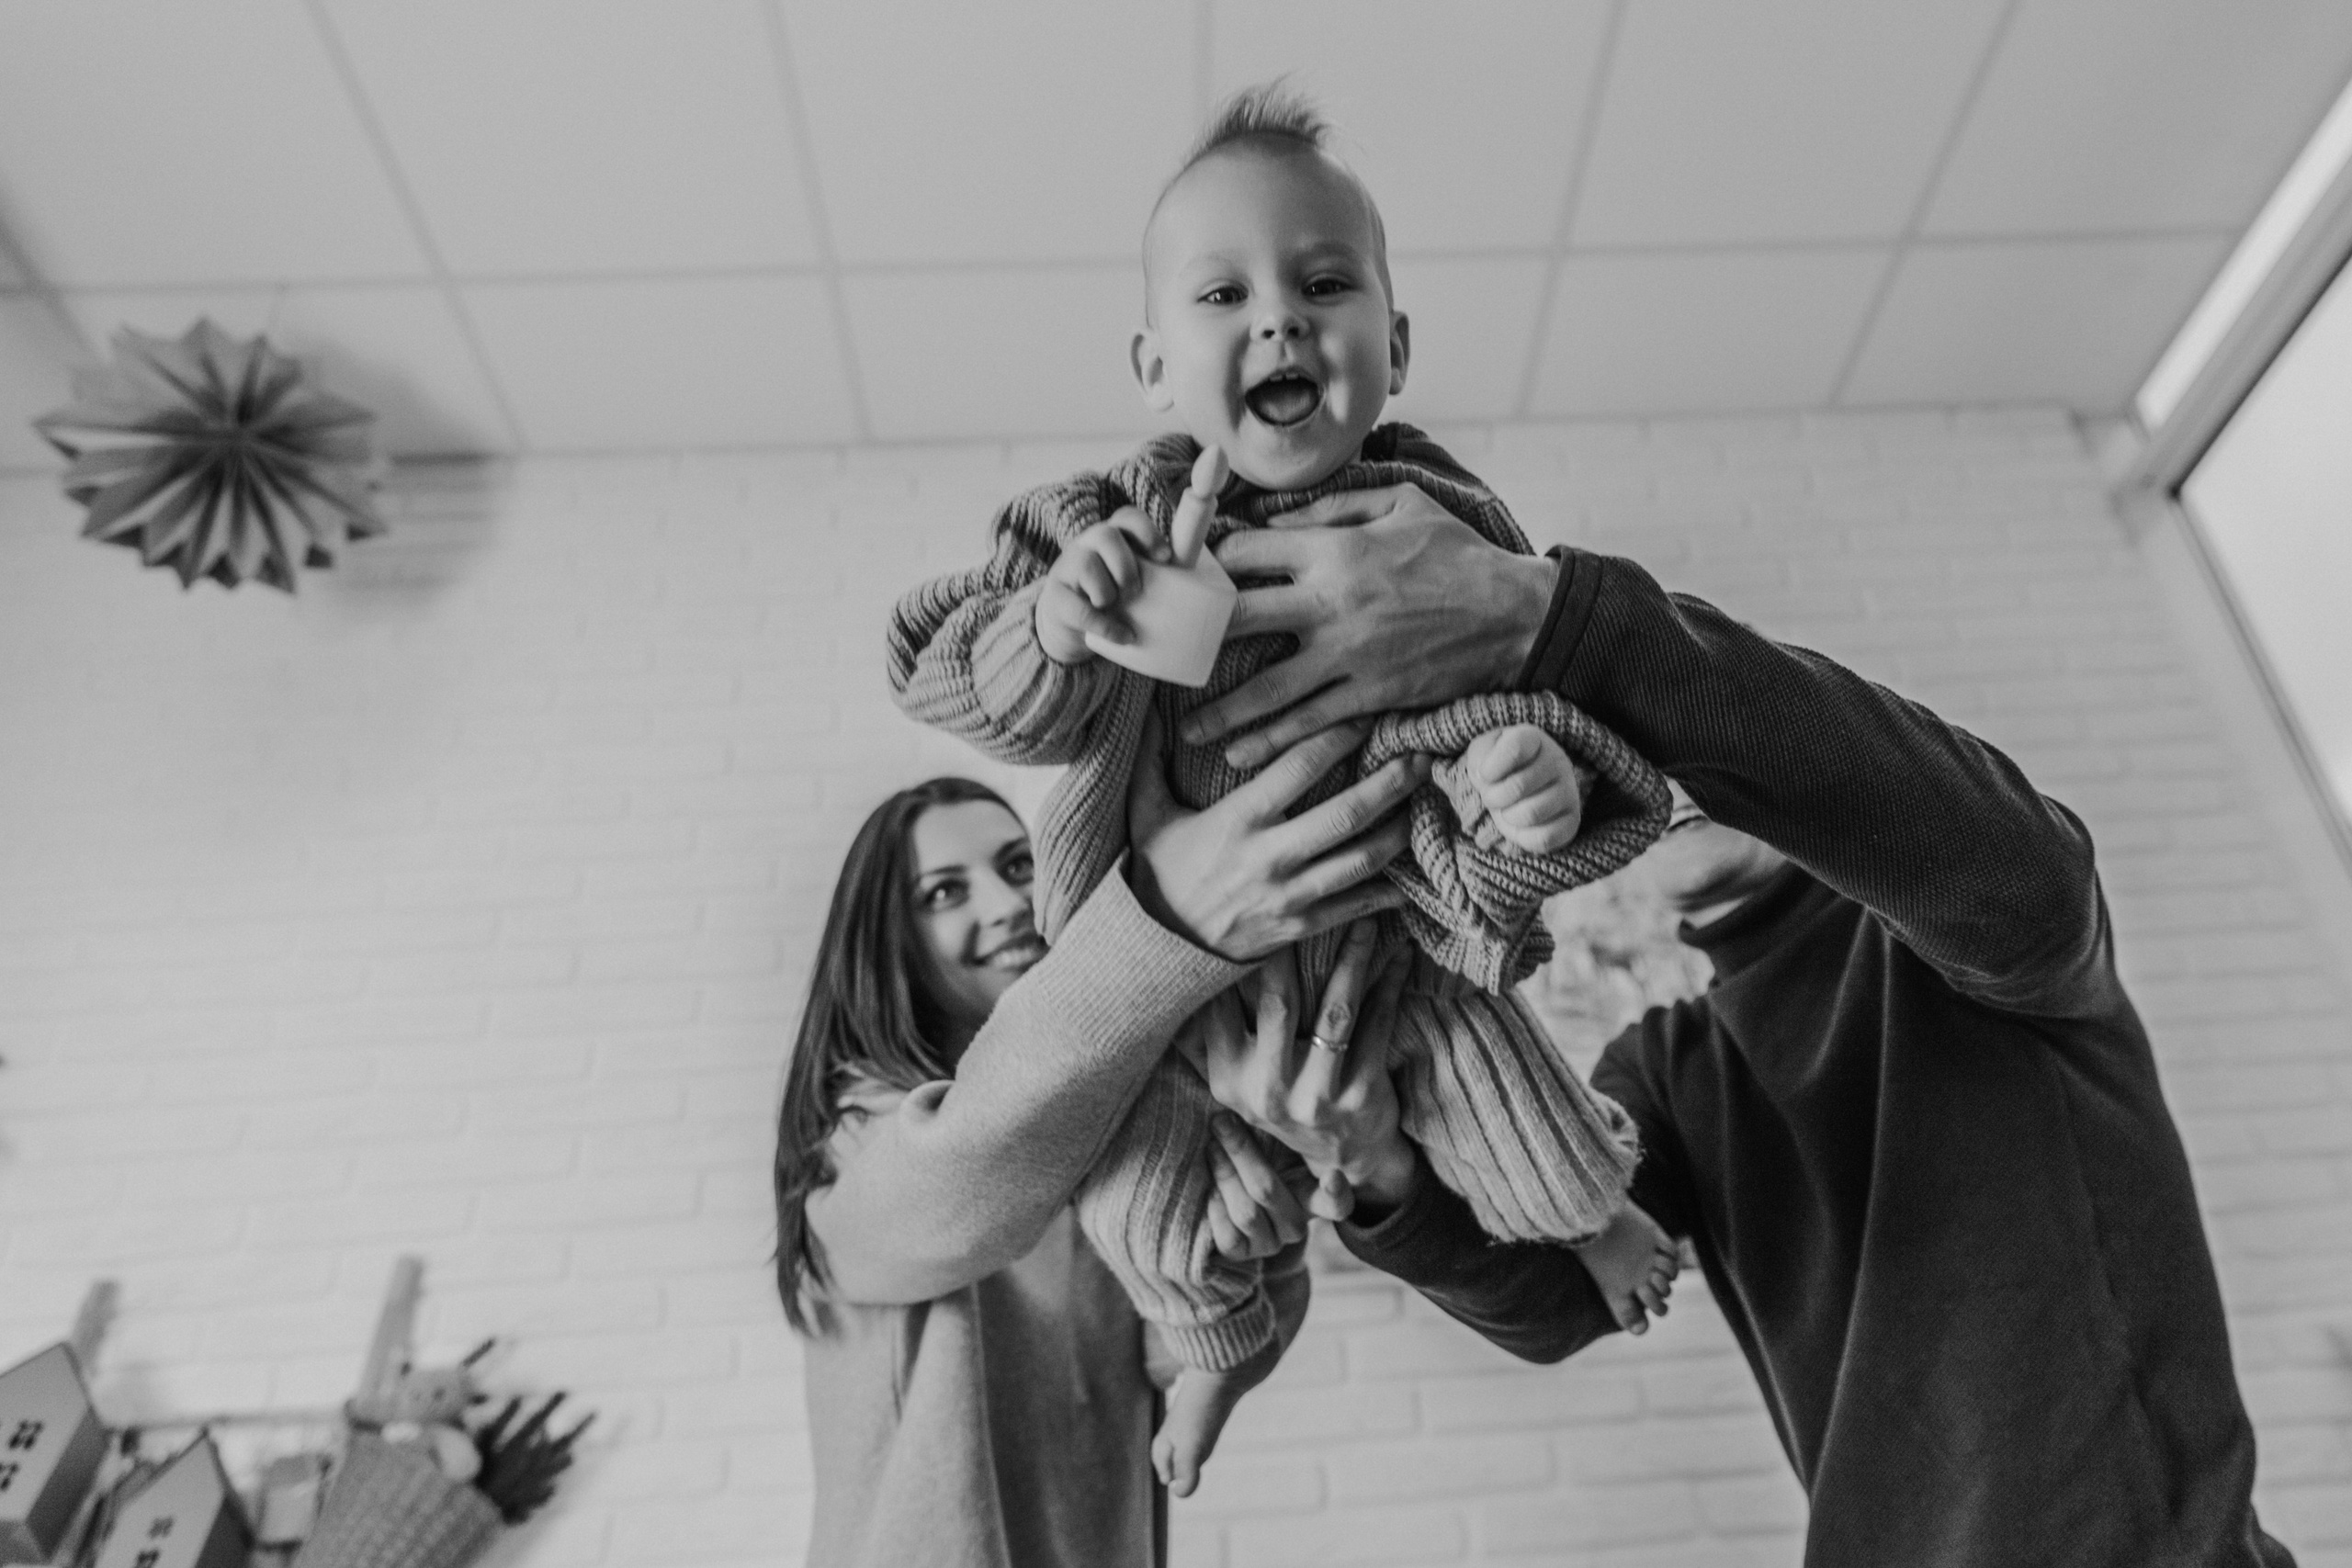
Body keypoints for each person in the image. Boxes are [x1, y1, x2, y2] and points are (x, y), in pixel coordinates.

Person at [1182, 498, 2300, 1566]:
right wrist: (1374, 1159)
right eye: (1598, 745)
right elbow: (1557, 1304)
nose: (1655, 768)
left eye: (1673, 736)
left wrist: (1555, 622)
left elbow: (2020, 874)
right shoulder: (1670, 1067)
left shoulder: (1966, 945)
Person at [886, 83, 1681, 1489]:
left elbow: (1513, 695)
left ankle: (1600, 1218)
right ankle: (1210, 1356)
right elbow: (964, 675)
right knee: (1148, 1212)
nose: (1278, 318)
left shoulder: (1441, 533)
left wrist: (1525, 785)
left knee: (1535, 1127)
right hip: (1170, 988)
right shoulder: (1101, 530)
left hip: (1394, 951)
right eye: (1222, 293)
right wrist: (1054, 620)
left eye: (1325, 282)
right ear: (1150, 365)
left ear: (1398, 343)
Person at [771, 728, 1418, 1568]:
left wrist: (1263, 1246)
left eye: (1016, 864)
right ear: (885, 939)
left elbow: (1171, 1353)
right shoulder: (857, 1145)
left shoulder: (1108, 1129)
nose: (1003, 904)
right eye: (942, 892)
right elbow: (974, 1170)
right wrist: (1168, 927)